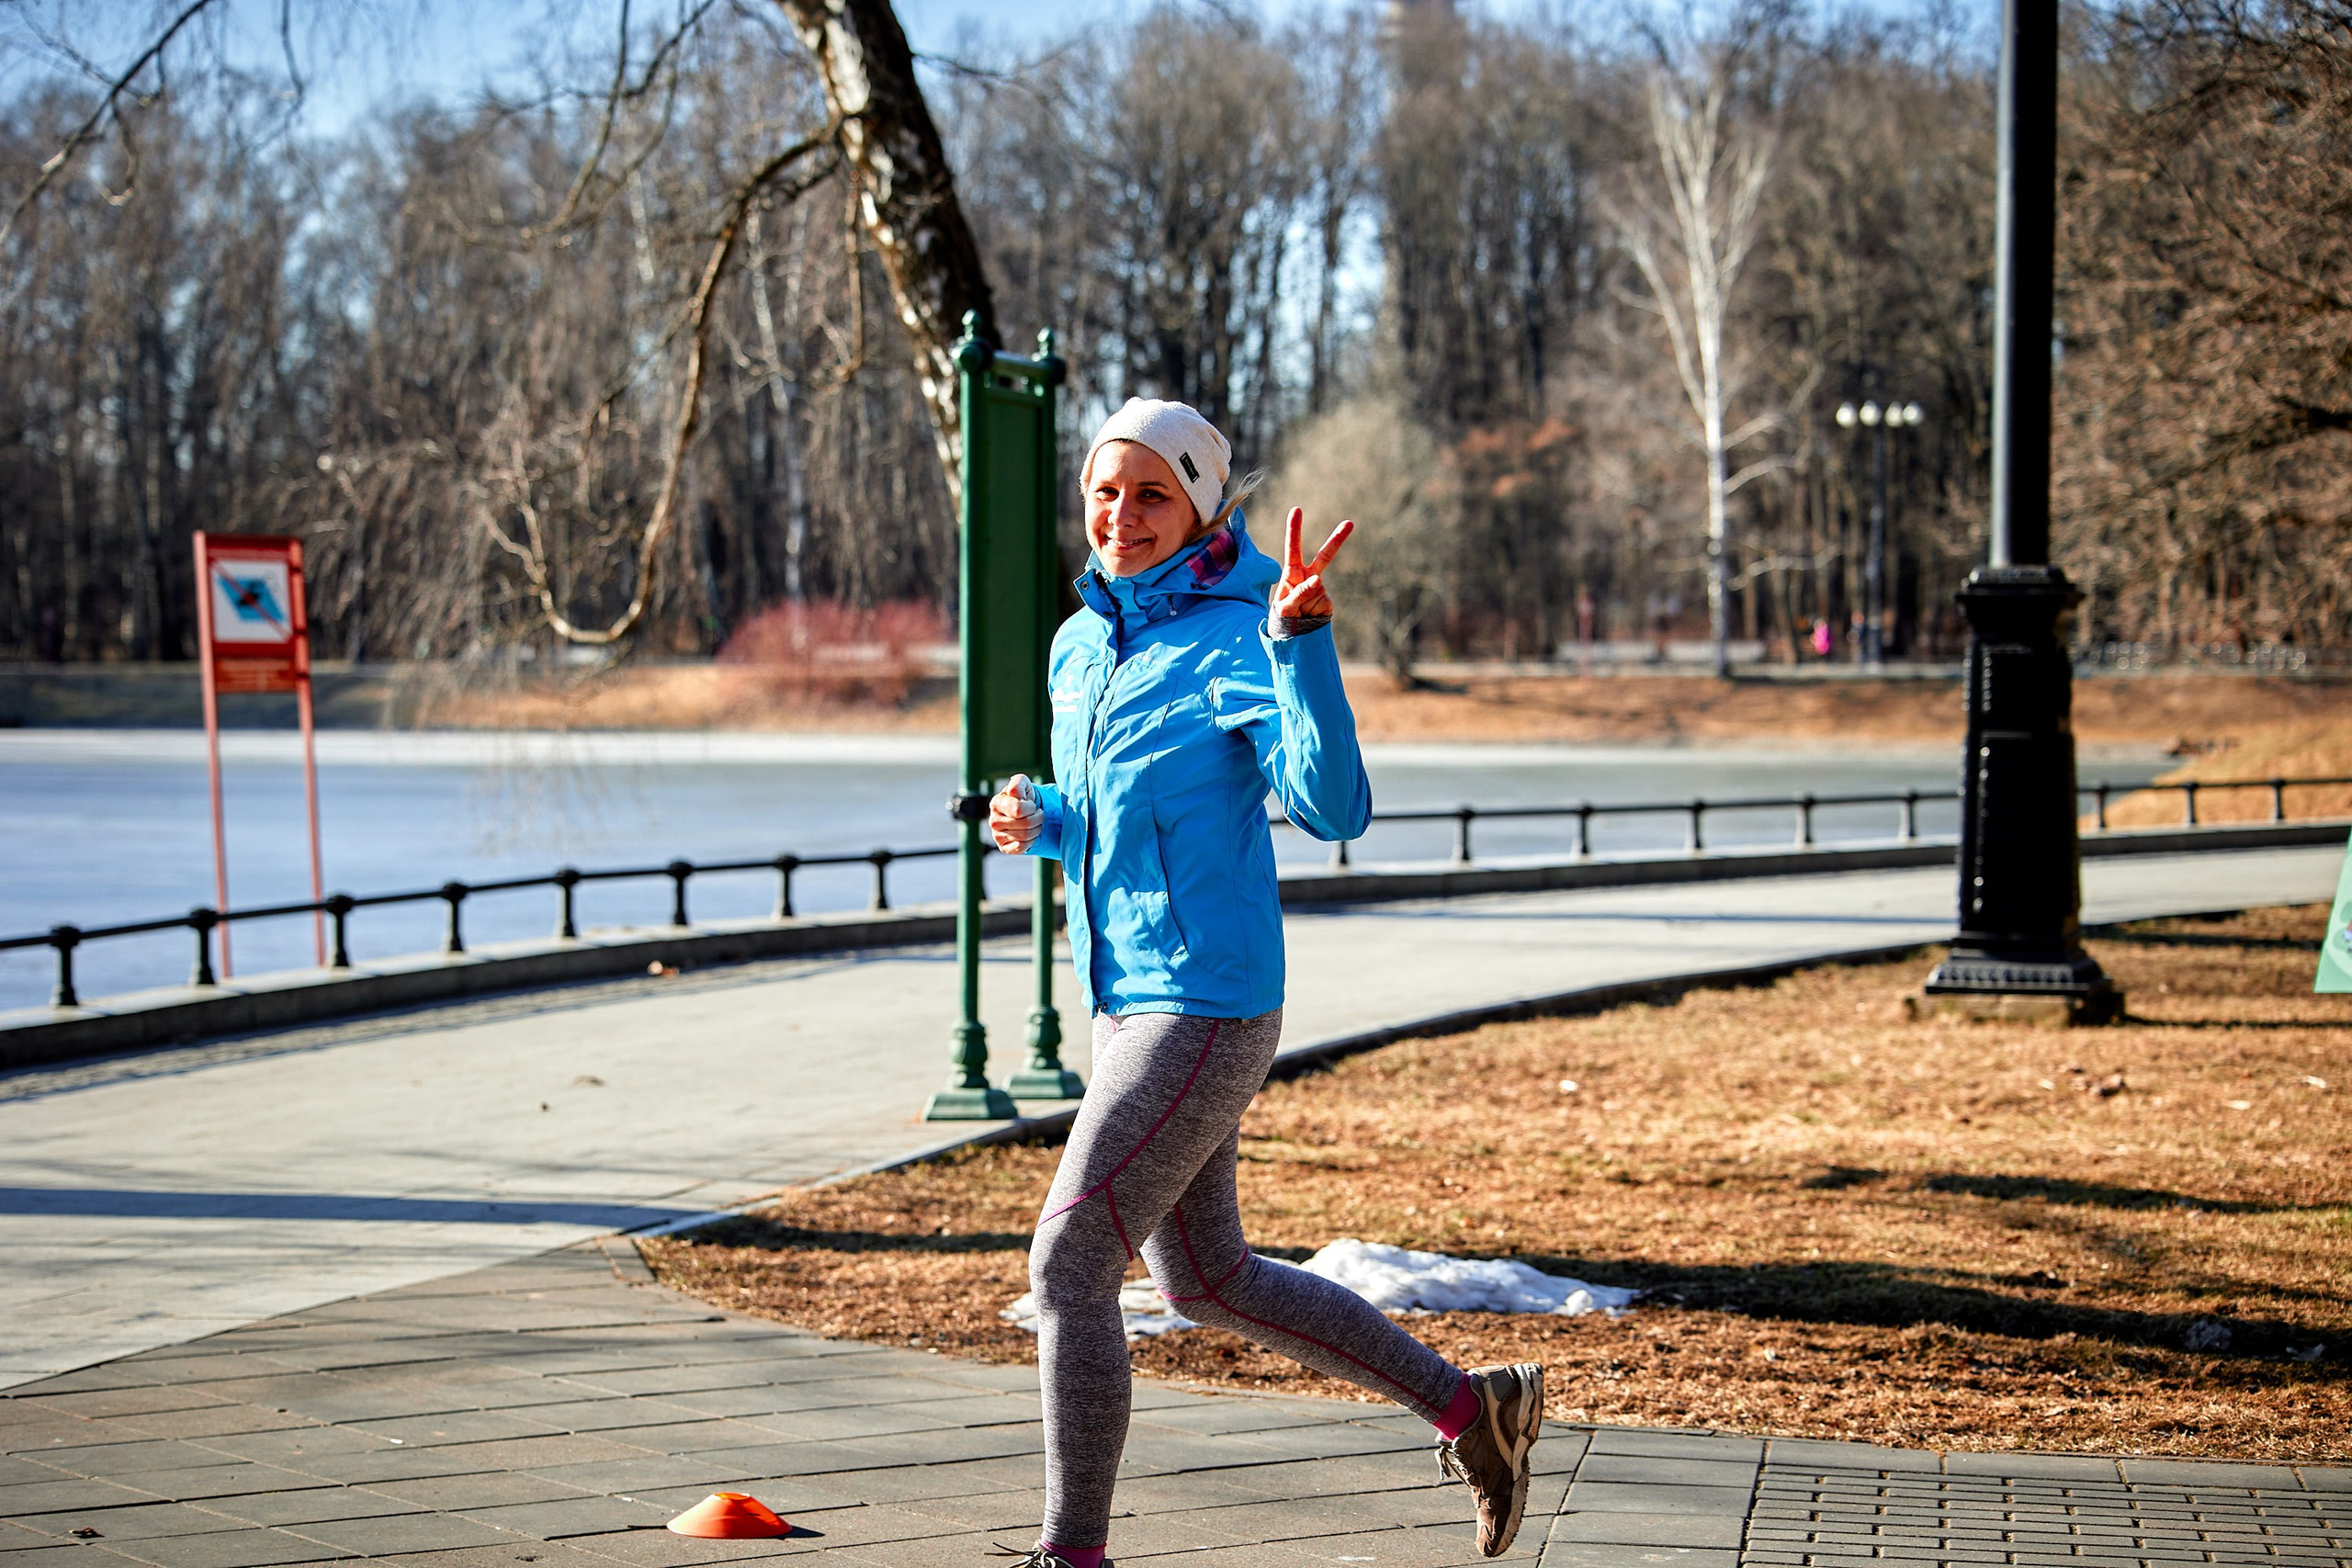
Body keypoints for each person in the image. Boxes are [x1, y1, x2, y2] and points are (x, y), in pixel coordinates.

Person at [987, 398, 1544, 1568]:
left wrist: (1302, 646)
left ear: (1201, 506)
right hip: (1123, 999)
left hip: (1206, 1002)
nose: (1120, 515)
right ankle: (1471, 1411)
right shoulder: (1079, 644)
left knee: (1070, 1259)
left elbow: (1332, 806)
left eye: (1151, 494)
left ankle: (1068, 1553)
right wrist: (1043, 821)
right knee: (1208, 1279)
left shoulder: (1245, 631)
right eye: (1104, 489)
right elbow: (1127, 816)